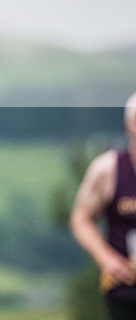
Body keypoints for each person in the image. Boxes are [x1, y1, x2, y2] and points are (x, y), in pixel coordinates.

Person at [71, 92, 136, 319]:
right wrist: (106, 258)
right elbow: (81, 218)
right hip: (125, 291)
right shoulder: (107, 169)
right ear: (129, 125)